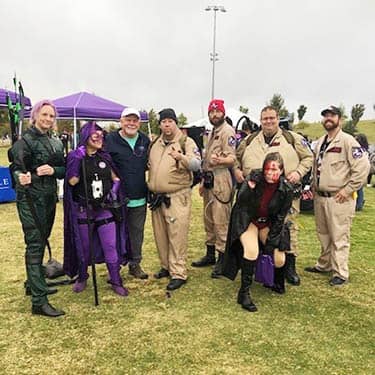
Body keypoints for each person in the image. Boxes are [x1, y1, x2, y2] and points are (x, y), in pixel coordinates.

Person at [233, 106, 313, 286]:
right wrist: (237, 170)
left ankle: (288, 266)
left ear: (278, 119)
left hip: (284, 193)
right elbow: (235, 158)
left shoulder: (292, 138)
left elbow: (309, 157)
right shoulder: (250, 140)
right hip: (256, 196)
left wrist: (298, 173)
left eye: (272, 118)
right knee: (258, 229)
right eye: (264, 119)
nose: (268, 122)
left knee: (287, 227)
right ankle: (260, 266)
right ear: (260, 121)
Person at [9, 100, 65, 317]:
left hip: (49, 198)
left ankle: (34, 283)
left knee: (42, 239)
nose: (48, 119)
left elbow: (63, 169)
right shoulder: (25, 142)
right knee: (34, 243)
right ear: (35, 116)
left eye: (51, 116)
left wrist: (53, 170)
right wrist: (21, 177)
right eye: (44, 115)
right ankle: (38, 301)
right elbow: (15, 168)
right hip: (30, 199)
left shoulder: (56, 142)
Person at [63, 122, 130, 297]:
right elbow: (72, 182)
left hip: (104, 209)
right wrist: (77, 159)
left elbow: (116, 179)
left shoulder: (104, 158)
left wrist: (113, 192)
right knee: (84, 247)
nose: (100, 139)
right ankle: (83, 277)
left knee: (110, 246)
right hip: (83, 209)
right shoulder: (76, 157)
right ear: (86, 137)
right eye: (96, 136)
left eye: (101, 136)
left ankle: (115, 280)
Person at [305, 106, 370, 286]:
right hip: (320, 196)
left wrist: (348, 190)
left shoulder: (348, 141)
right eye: (325, 116)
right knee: (323, 233)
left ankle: (340, 272)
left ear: (339, 119)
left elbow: (363, 168)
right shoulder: (320, 142)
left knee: (339, 235)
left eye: (332, 115)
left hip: (338, 198)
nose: (328, 119)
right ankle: (324, 264)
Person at [223, 152, 294, 312]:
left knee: (279, 258)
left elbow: (280, 217)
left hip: (267, 223)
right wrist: (250, 186)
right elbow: (240, 201)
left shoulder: (286, 189)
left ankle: (276, 281)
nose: (270, 173)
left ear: (282, 171)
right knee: (252, 250)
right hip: (248, 220)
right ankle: (244, 293)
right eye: (267, 169)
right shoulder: (254, 178)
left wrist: (272, 242)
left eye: (275, 170)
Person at [148, 108, 201, 290]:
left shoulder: (186, 141)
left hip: (177, 197)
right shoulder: (156, 142)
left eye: (170, 121)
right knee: (160, 234)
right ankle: (166, 266)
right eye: (163, 121)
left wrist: (181, 157)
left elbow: (196, 165)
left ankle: (179, 272)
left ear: (175, 122)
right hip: (158, 198)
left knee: (177, 235)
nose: (167, 124)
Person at [191, 99, 236, 278]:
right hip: (209, 178)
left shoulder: (227, 131)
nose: (214, 115)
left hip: (221, 177)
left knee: (221, 219)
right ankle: (210, 254)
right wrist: (203, 180)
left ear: (223, 113)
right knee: (208, 217)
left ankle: (222, 259)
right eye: (211, 112)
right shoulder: (212, 132)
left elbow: (232, 158)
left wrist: (221, 161)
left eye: (217, 112)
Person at [106, 108, 150, 279]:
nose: (131, 124)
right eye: (128, 120)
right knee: (115, 233)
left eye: (134, 121)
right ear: (121, 121)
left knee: (136, 232)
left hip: (139, 195)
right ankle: (114, 267)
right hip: (117, 199)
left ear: (139, 123)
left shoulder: (145, 141)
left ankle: (135, 264)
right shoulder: (110, 140)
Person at [354, 133, 369, 211]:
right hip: (363, 171)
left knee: (358, 188)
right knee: (360, 188)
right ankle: (359, 203)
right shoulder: (365, 150)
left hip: (359, 170)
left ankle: (359, 204)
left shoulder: (359, 150)